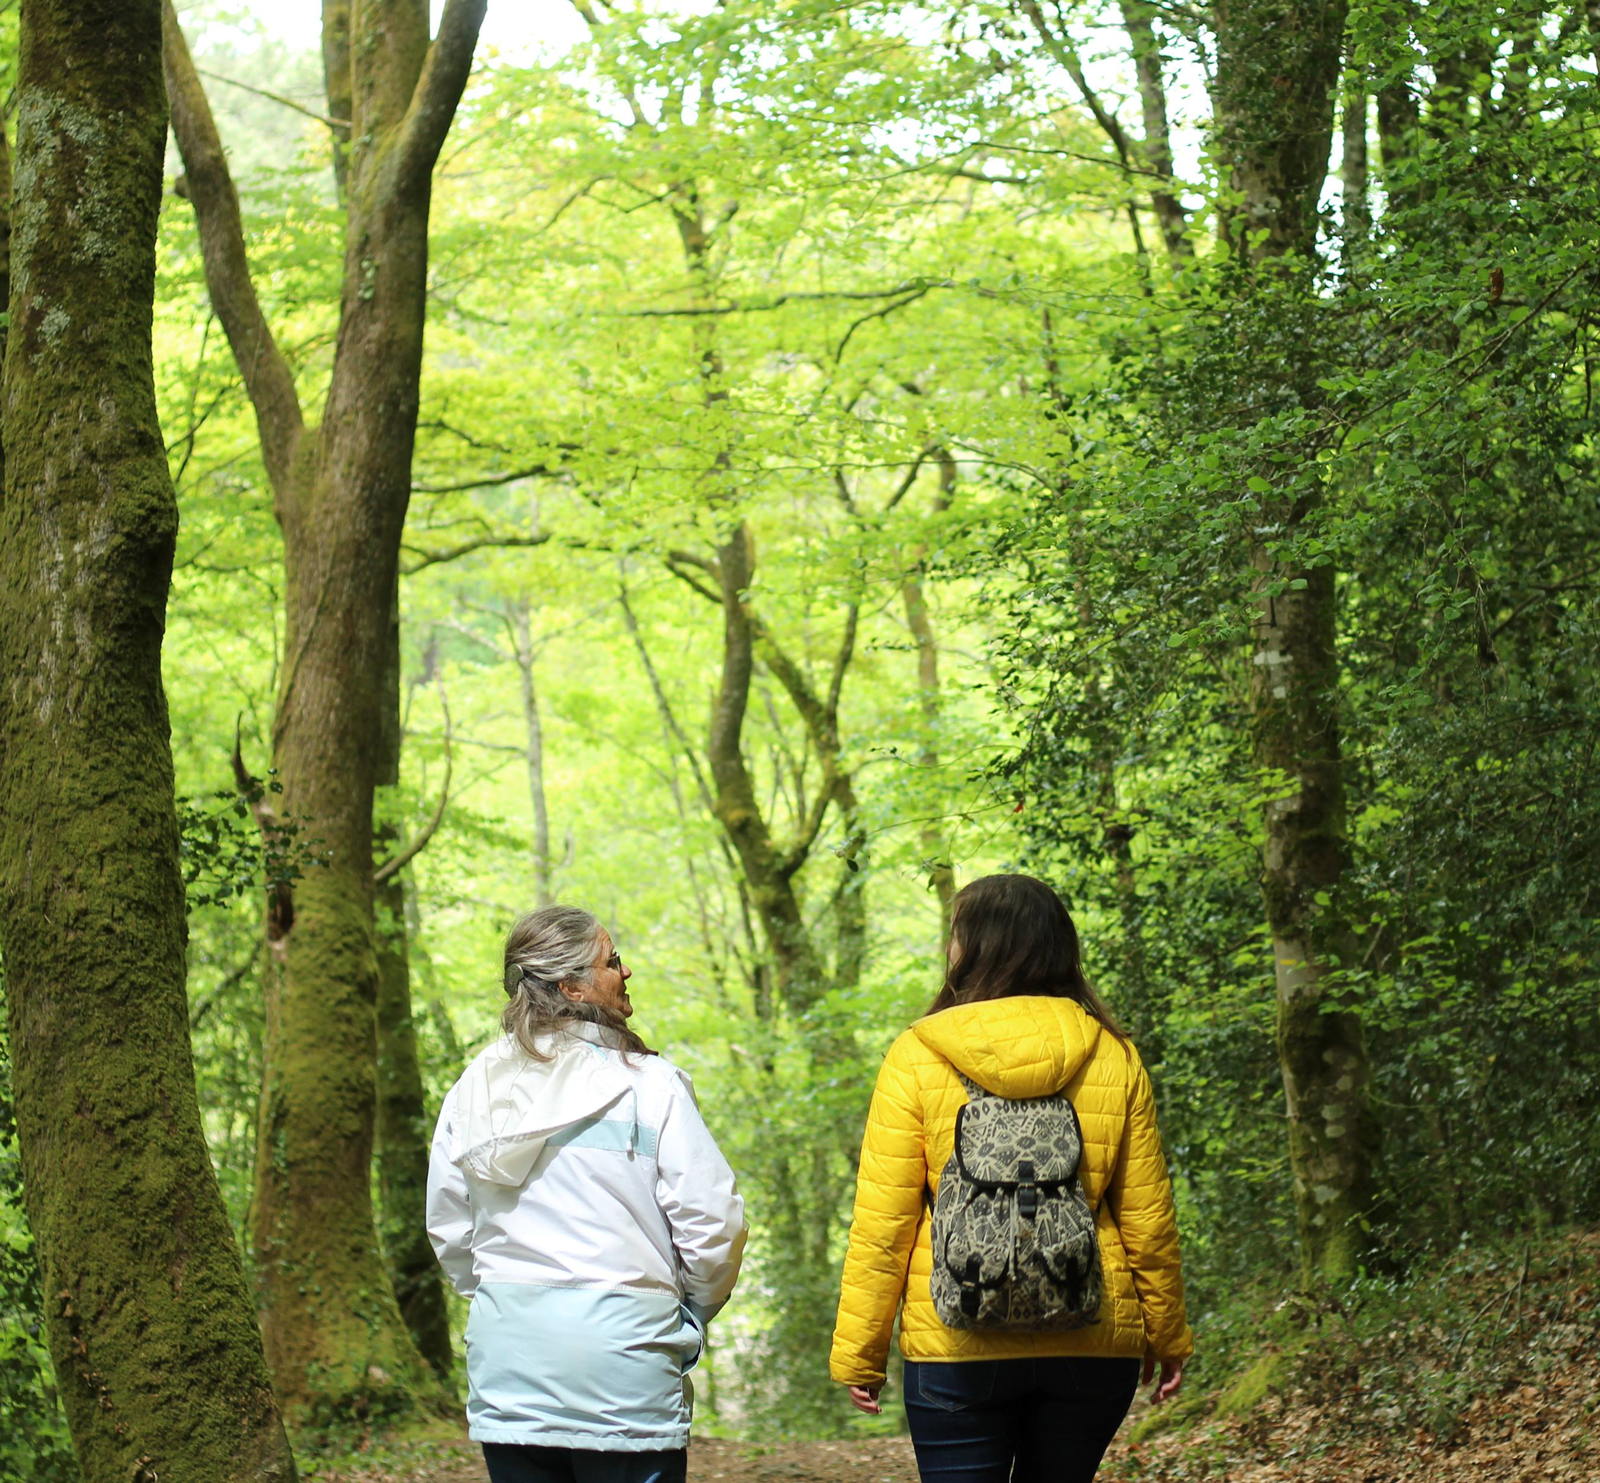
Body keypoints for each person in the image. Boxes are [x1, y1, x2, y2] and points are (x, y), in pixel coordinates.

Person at [830, 873, 1193, 1483]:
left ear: (971, 948)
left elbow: (882, 1227)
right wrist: (1167, 1333)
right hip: (1091, 1331)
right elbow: (1147, 1217)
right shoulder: (1112, 1053)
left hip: (955, 1337)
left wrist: (860, 1352)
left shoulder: (916, 1055)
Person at [427, 904, 746, 1483]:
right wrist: (690, 1312)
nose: (626, 972)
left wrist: (502, 1301)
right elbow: (713, 1224)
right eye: (612, 961)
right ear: (572, 986)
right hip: (625, 1368)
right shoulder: (652, 1086)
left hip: (510, 1368)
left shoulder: (473, 1087)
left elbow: (449, 1226)